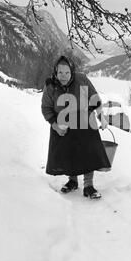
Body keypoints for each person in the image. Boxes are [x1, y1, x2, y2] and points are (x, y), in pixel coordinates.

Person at [41, 55, 110, 199]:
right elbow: (46, 108)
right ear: (55, 72)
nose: (63, 76)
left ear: (72, 71)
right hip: (62, 124)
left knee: (88, 153)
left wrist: (101, 116)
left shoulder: (81, 79)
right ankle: (72, 181)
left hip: (84, 122)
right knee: (68, 153)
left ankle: (88, 186)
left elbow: (94, 98)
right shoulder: (50, 86)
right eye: (60, 73)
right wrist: (56, 126)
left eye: (67, 73)